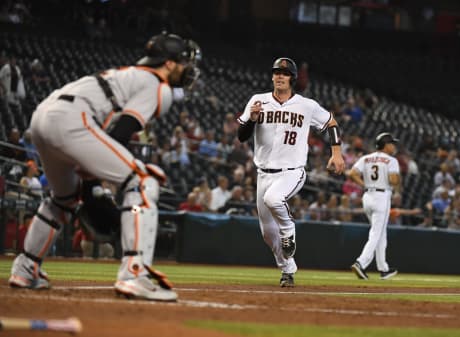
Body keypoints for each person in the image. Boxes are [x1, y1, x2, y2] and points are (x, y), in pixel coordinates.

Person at [9, 33, 201, 302]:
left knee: (63, 198)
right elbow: (122, 131)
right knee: (144, 180)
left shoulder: (128, 74)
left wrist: (89, 185)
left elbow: (108, 134)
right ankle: (134, 273)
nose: (187, 69)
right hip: (72, 119)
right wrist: (94, 182)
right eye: (183, 62)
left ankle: (26, 268)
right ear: (168, 64)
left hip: (43, 115)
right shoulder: (158, 85)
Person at [237, 57, 345, 287]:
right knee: (267, 233)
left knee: (273, 199)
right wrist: (252, 120)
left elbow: (331, 123)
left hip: (292, 171)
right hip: (263, 173)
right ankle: (288, 269)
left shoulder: (306, 105)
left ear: (292, 78)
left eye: (284, 73)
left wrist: (336, 153)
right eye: (276, 72)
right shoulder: (258, 101)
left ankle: (288, 229)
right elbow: (241, 135)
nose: (279, 76)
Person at [347, 132, 401, 280]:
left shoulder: (366, 158)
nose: (394, 146)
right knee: (376, 233)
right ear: (386, 145)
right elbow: (393, 180)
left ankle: (383, 269)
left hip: (368, 196)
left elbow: (352, 173)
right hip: (381, 197)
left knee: (380, 233)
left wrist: (364, 184)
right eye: (392, 143)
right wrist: (397, 180)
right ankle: (360, 262)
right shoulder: (391, 160)